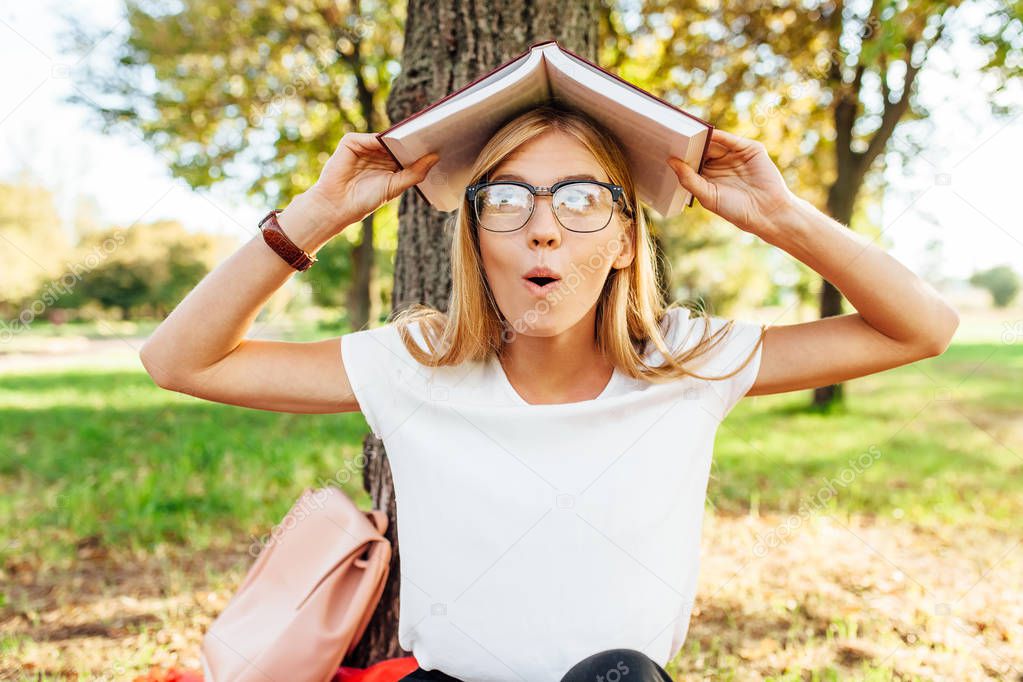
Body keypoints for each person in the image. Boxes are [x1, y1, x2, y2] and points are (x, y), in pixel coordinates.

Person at [139, 103, 959, 681]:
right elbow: (182, 362)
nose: (541, 226)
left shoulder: (686, 362)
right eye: (505, 200)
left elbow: (918, 328)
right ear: (475, 238)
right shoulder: (415, 365)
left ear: (626, 243)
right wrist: (314, 214)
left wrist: (780, 218)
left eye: (579, 201)